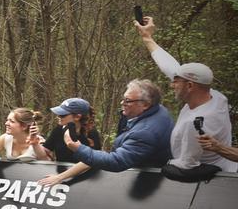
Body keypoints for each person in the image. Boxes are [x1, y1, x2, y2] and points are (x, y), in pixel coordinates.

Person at [136, 16, 235, 175]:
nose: (171, 84)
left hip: (213, 183)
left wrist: (166, 164)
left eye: (176, 82)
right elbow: (172, 68)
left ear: (189, 86)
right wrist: (147, 38)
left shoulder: (196, 123)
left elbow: (187, 164)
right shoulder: (215, 97)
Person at [37, 80, 173, 186]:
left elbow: (113, 160)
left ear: (146, 104)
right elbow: (45, 153)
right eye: (123, 99)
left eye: (127, 101)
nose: (122, 103)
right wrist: (34, 144)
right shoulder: (141, 113)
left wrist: (76, 149)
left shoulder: (145, 131)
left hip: (137, 178)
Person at [0, 108, 48, 180]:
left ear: (24, 126)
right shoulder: (4, 138)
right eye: (7, 120)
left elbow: (48, 164)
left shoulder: (38, 142)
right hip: (13, 180)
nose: (6, 123)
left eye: (12, 121)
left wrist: (35, 145)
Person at [42, 97, 90, 162]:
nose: (58, 117)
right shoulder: (58, 130)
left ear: (77, 117)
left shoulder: (90, 133)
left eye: (62, 115)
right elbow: (45, 152)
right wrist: (35, 144)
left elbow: (89, 162)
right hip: (61, 171)